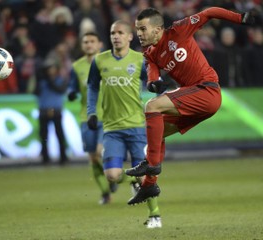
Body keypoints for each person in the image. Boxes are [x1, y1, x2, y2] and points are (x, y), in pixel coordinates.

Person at [125, 7, 255, 205]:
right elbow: (152, 78)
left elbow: (209, 12)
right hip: (195, 99)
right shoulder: (149, 54)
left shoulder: (179, 30)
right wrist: (154, 84)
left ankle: (152, 164)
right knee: (156, 131)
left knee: (152, 107)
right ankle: (149, 185)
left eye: (143, 29)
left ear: (158, 29)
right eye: (137, 29)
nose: (139, 34)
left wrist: (239, 18)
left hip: (207, 90)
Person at [87, 20, 162, 228]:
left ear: (130, 37)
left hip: (137, 125)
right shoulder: (100, 61)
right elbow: (92, 87)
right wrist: (91, 112)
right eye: (113, 33)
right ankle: (129, 180)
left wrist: (157, 86)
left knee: (146, 175)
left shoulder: (139, 60)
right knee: (112, 176)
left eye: (120, 32)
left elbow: (152, 81)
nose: (116, 36)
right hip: (112, 128)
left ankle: (155, 215)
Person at [68, 32, 117, 205]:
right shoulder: (77, 66)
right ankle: (105, 192)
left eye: (92, 41)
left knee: (99, 152)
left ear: (99, 44)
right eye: (85, 42)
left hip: (108, 116)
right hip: (87, 117)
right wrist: (71, 93)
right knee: (93, 158)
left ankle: (115, 176)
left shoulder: (110, 63)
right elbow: (72, 86)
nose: (88, 44)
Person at [35, 57, 69, 165]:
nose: (50, 70)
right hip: (44, 111)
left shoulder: (60, 80)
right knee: (44, 135)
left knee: (59, 134)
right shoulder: (41, 81)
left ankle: (63, 157)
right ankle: (45, 157)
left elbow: (60, 90)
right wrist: (37, 80)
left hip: (56, 110)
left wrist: (48, 80)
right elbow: (35, 92)